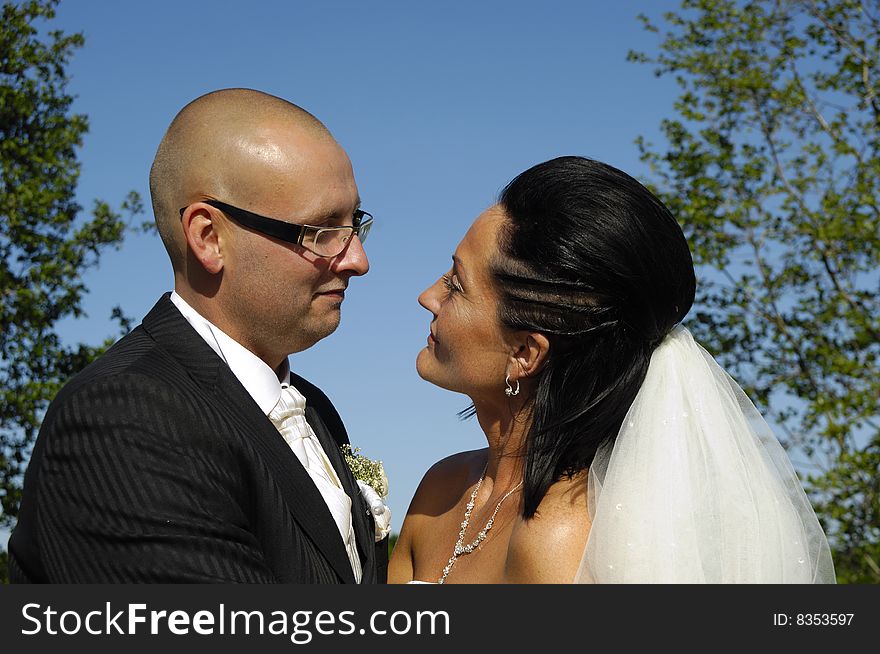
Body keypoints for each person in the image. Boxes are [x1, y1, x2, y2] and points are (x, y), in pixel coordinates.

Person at [389, 156, 835, 584]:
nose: (428, 296)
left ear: (524, 353)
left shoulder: (559, 536)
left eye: (456, 284)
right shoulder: (441, 488)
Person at [8, 88, 388, 583]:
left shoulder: (314, 407)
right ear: (209, 237)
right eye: (320, 231)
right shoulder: (125, 418)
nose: (358, 260)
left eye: (354, 224)